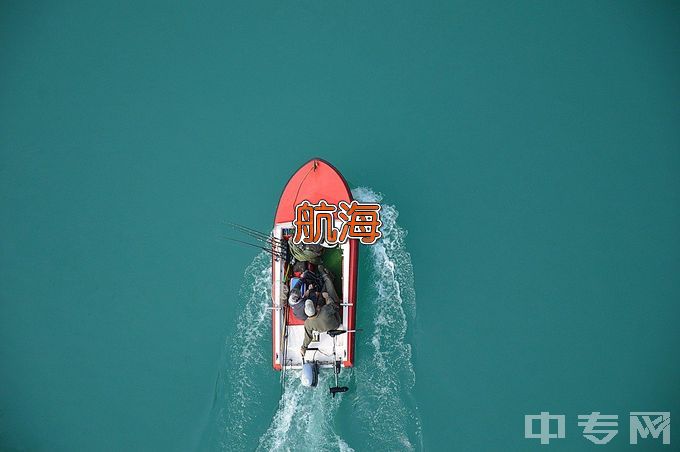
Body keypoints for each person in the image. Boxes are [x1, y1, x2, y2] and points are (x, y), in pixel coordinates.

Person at [300, 265, 342, 354]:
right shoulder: (325, 310)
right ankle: (327, 276)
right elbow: (336, 306)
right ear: (315, 309)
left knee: (323, 291)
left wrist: (304, 347)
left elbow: (308, 337)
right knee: (327, 287)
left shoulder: (307, 323)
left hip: (326, 326)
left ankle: (328, 278)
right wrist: (327, 299)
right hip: (336, 321)